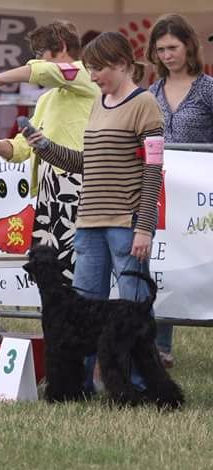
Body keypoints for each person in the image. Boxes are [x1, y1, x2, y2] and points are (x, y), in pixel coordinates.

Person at [26, 32, 164, 393]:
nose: (93, 76)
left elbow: (153, 172)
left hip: (125, 223)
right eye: (90, 69)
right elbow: (87, 163)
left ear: (121, 63)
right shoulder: (98, 103)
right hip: (87, 223)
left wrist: (145, 227)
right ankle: (78, 385)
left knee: (134, 309)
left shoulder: (145, 104)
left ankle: (138, 386)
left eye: (98, 68)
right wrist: (46, 148)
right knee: (82, 316)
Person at [0, 20, 98, 283]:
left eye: (39, 54)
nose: (34, 63)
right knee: (50, 274)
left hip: (78, 186)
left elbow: (45, 71)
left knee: (76, 272)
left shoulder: (85, 75)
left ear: (60, 46)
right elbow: (22, 148)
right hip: (49, 190)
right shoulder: (47, 98)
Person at [146, 14, 213, 369]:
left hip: (199, 195)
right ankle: (159, 345)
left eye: (172, 47)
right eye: (160, 50)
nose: (167, 55)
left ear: (189, 46)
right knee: (163, 263)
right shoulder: (151, 92)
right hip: (159, 192)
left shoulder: (208, 89)